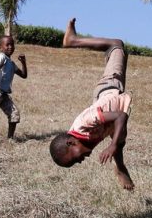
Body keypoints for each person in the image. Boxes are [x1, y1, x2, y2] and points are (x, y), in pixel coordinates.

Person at [49, 18, 134, 191]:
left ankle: (72, 41)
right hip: (111, 102)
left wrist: (112, 145)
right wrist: (115, 145)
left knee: (116, 44)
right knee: (118, 136)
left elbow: (121, 116)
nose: (80, 162)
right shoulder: (84, 143)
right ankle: (120, 168)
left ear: (71, 144)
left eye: (74, 159)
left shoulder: (84, 123)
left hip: (109, 86)